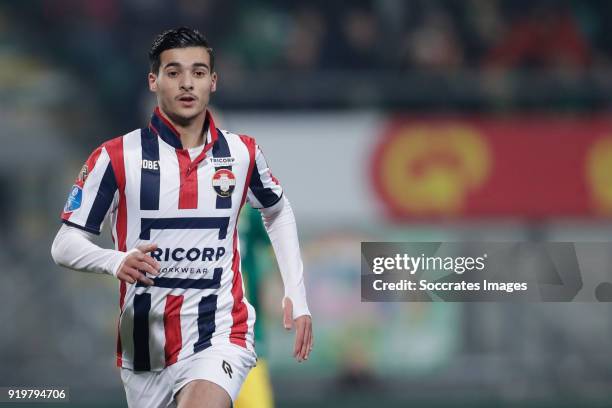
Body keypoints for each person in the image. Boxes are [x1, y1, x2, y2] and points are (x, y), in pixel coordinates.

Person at [51, 27, 313, 408]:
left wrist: (297, 292)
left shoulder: (242, 154)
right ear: (154, 81)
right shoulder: (115, 157)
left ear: (214, 82)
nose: (188, 83)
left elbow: (277, 210)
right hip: (146, 350)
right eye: (174, 73)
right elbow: (64, 244)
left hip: (222, 335)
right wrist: (116, 260)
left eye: (199, 72)